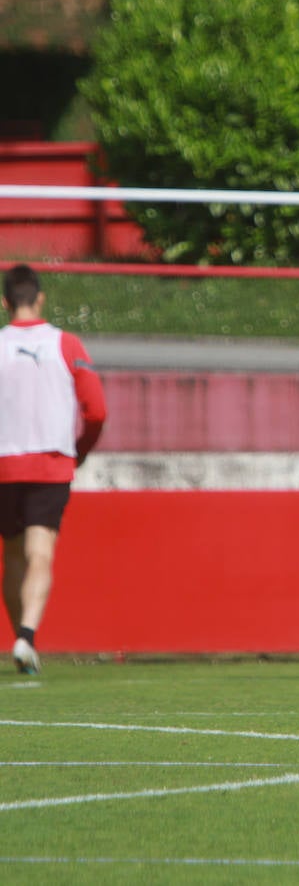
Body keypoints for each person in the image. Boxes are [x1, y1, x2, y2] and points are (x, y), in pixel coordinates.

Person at [1, 264, 106, 675]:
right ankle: (25, 636)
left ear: (5, 301)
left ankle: (24, 640)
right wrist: (80, 450)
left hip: (5, 463)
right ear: (40, 297)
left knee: (12, 558)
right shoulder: (67, 344)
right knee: (39, 551)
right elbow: (96, 410)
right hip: (51, 461)